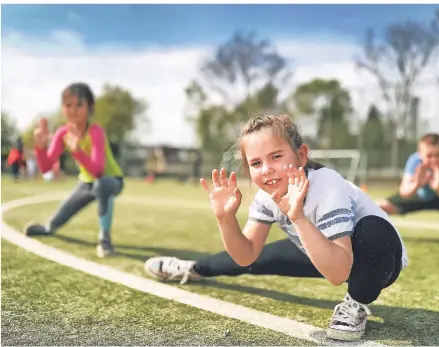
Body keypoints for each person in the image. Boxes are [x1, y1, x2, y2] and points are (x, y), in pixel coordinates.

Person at [144, 113, 408, 341]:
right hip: (321, 251)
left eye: (276, 156)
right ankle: (192, 268)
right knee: (258, 258)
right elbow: (246, 255)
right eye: (256, 163)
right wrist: (225, 219)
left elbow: (339, 272)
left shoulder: (327, 185)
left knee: (374, 229)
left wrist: (298, 217)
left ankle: (356, 303)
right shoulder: (265, 198)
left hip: (375, 258)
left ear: (301, 155)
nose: (267, 169)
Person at [23, 82, 125, 258]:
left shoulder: (96, 131)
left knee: (102, 185)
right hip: (86, 183)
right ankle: (49, 228)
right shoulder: (62, 133)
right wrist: (40, 147)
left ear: (90, 107)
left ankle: (105, 240)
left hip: (111, 180)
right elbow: (46, 168)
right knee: (60, 216)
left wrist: (78, 152)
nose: (73, 110)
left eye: (79, 105)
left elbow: (99, 171)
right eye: (68, 105)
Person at [378, 133, 439, 247]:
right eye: (429, 155)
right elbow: (404, 193)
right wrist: (417, 184)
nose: (434, 160)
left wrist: (438, 188)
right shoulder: (414, 161)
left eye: (438, 155)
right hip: (416, 197)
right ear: (420, 155)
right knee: (373, 207)